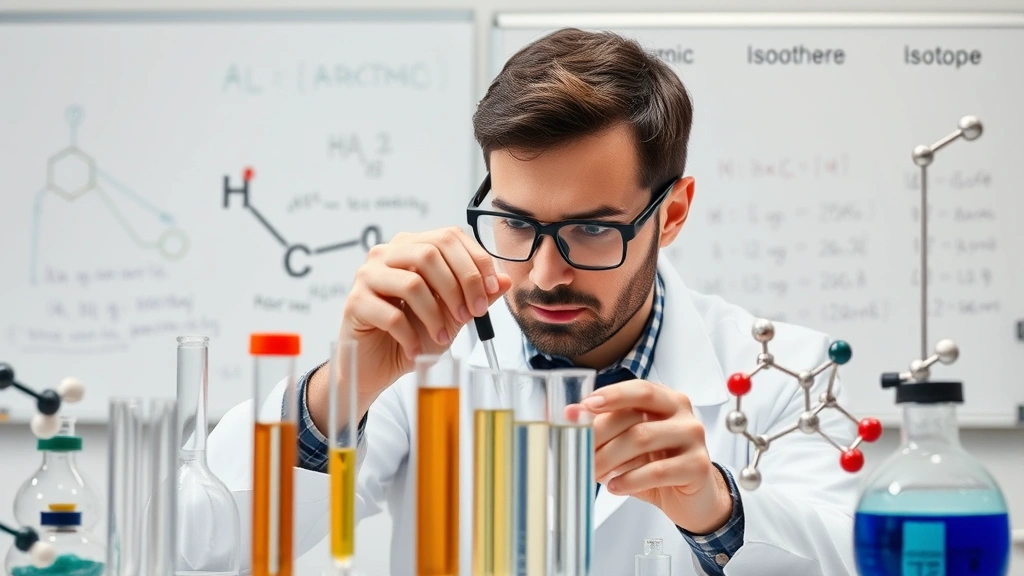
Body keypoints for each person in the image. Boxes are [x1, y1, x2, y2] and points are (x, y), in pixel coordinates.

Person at [208, 27, 860, 575]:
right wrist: (344, 389)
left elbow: (848, 559)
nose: (545, 275)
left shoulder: (783, 375)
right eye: (517, 223)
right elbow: (217, 546)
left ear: (674, 213)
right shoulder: (435, 356)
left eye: (592, 230)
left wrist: (717, 507)